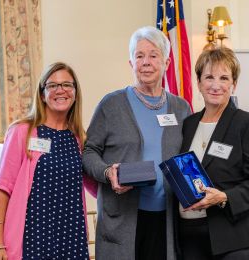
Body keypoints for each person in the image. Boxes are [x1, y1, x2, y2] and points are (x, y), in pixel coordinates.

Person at [82, 26, 191, 260]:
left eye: (153, 55)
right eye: (139, 56)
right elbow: (88, 152)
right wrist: (107, 171)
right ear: (131, 63)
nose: (146, 62)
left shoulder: (181, 108)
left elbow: (187, 158)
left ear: (166, 63)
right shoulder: (111, 105)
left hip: (168, 220)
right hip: (123, 220)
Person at [177, 47, 249, 260]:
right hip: (191, 236)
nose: (216, 85)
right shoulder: (188, 124)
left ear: (233, 84)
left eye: (224, 78)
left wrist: (224, 197)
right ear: (198, 83)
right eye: (209, 77)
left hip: (237, 238)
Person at [0, 62, 97, 260]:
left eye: (67, 85)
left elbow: (95, 185)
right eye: (53, 85)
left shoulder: (78, 138)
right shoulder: (23, 131)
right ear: (42, 94)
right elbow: (2, 189)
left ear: (75, 92)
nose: (60, 90)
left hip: (71, 238)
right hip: (32, 239)